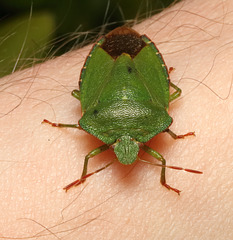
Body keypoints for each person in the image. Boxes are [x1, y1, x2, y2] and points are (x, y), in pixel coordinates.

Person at [0, 0, 232, 238]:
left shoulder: (124, 129)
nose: (126, 155)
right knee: (174, 98)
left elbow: (87, 124)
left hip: (115, 72)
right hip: (133, 73)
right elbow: (156, 131)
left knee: (88, 111)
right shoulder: (149, 129)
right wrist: (163, 83)